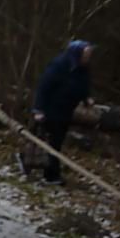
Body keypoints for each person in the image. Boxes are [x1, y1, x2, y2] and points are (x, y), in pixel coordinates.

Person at [27, 40, 94, 185]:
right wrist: (38, 109)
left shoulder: (82, 69)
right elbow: (43, 87)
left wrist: (86, 98)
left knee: (55, 141)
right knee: (51, 142)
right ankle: (51, 175)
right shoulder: (59, 65)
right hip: (51, 109)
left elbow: (83, 85)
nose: (87, 58)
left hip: (66, 110)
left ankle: (40, 168)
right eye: (85, 54)